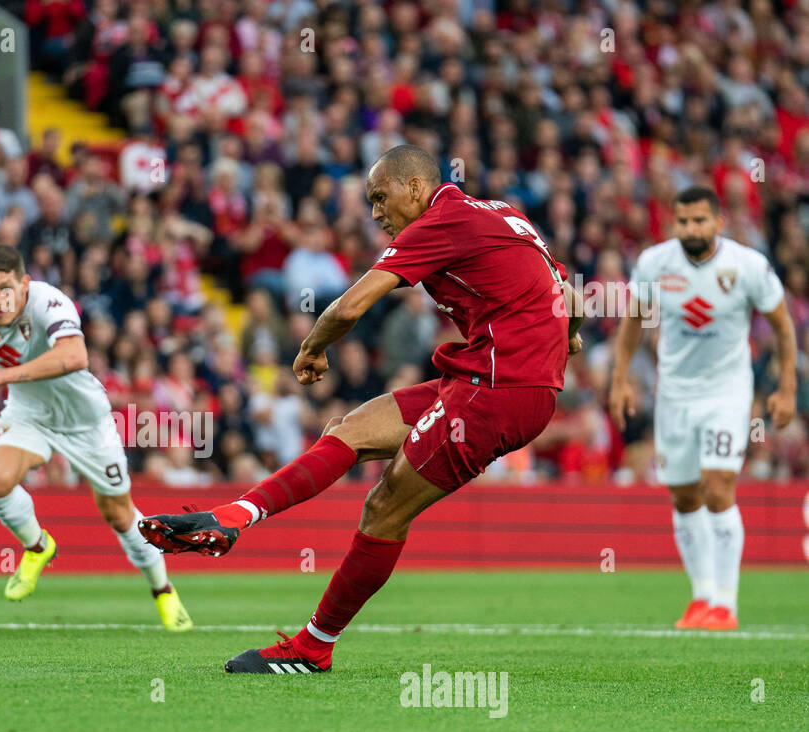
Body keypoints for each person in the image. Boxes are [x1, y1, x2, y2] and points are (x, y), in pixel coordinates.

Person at [140, 145, 583, 672]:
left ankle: (313, 647)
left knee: (384, 506)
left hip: (498, 389)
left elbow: (349, 305)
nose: (375, 213)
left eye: (380, 197)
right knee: (348, 431)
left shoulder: (441, 220)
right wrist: (567, 340)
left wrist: (311, 349)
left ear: (415, 187)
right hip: (484, 377)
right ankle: (233, 517)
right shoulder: (504, 214)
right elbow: (568, 296)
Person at [0, 244, 193, 630]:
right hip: (28, 412)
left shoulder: (49, 302)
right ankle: (38, 546)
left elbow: (75, 357)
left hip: (84, 419)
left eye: (4, 289)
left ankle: (163, 590)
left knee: (119, 515)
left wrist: (2, 375)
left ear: (24, 284)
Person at [609, 186, 797, 631]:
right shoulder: (655, 263)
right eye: (683, 221)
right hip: (675, 392)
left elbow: (782, 324)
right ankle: (703, 598)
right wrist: (619, 380)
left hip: (728, 392)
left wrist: (787, 385)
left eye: (699, 220)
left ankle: (726, 606)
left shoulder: (747, 266)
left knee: (718, 485)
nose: (691, 229)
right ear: (673, 223)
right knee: (685, 494)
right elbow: (633, 320)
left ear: (718, 222)